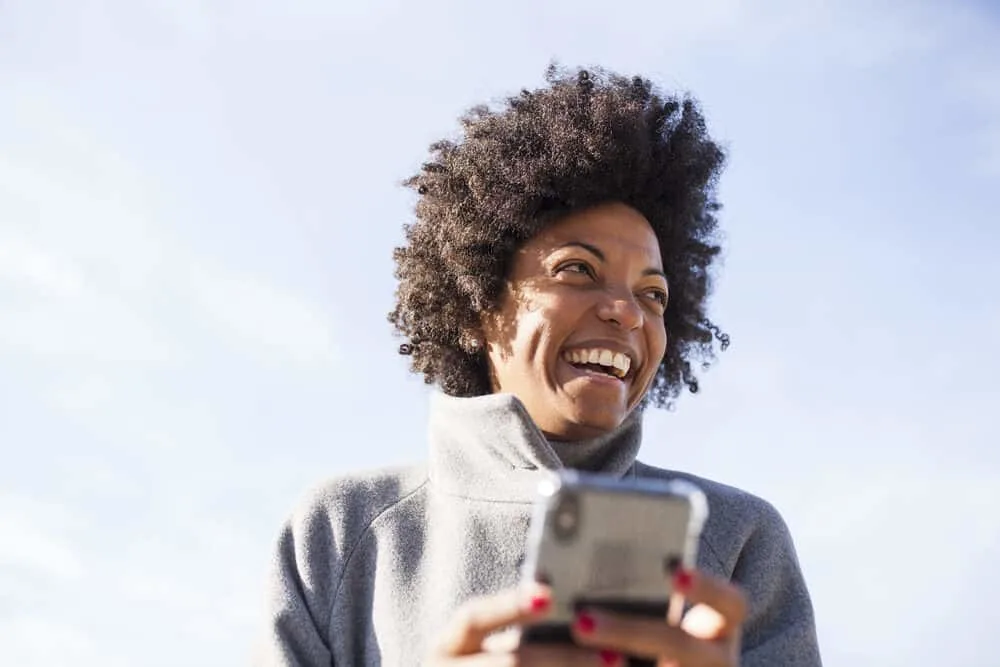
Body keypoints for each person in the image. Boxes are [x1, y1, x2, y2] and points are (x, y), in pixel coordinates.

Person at [256, 65, 822, 666]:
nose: (628, 313)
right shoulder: (342, 530)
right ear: (477, 303)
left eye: (654, 294)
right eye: (577, 269)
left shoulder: (738, 539)